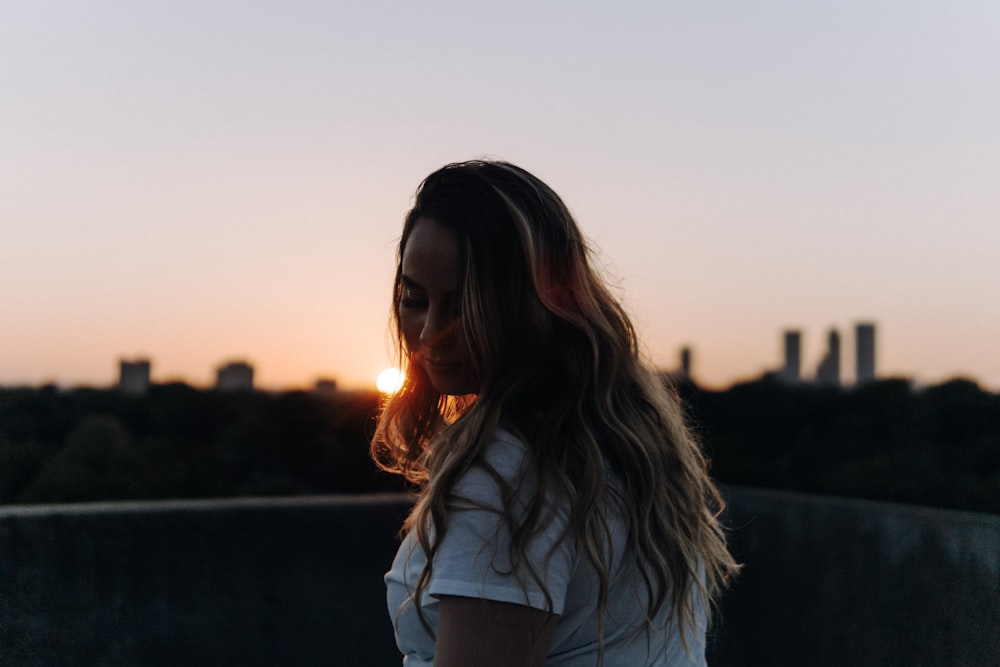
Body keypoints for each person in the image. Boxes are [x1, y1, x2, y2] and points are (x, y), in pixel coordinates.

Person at [374, 160, 739, 666]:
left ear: (535, 303)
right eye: (414, 299)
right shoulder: (617, 443)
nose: (431, 331)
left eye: (465, 306)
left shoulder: (506, 475)